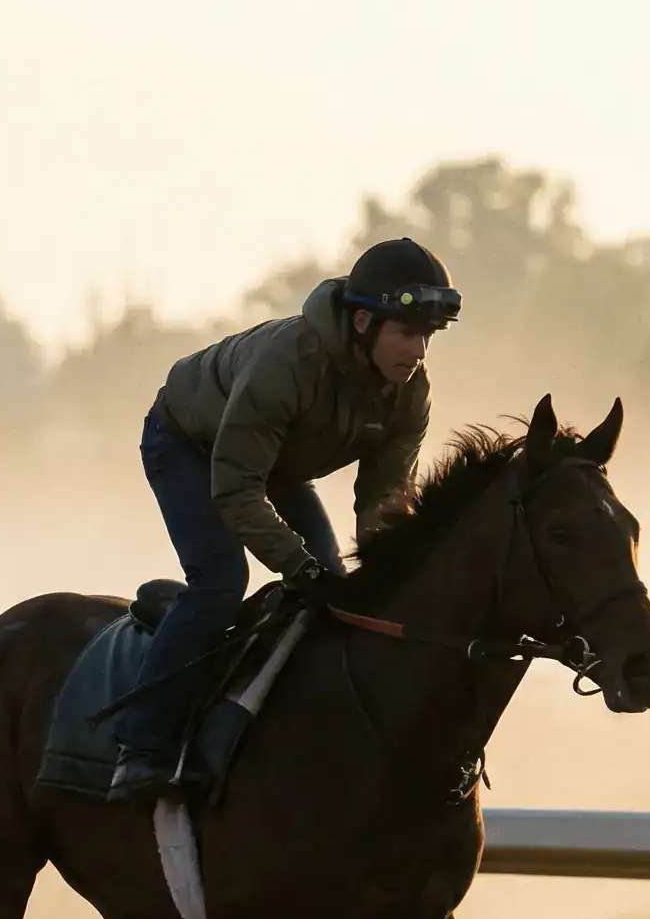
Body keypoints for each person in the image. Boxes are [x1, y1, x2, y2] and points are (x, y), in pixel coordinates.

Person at [110, 237, 457, 796]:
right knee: (222, 581)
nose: (418, 351)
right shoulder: (285, 364)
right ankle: (141, 747)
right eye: (407, 332)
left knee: (336, 592)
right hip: (189, 445)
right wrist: (299, 566)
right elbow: (236, 491)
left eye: (426, 338)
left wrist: (394, 576)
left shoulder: (410, 392)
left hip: (276, 463)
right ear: (363, 322)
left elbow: (383, 503)